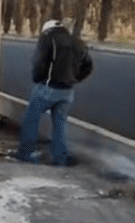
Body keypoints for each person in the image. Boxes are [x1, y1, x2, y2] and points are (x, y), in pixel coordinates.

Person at [13, 19, 92, 166]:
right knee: (59, 124)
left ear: (47, 29)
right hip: (68, 90)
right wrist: (75, 79)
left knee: (32, 119)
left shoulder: (48, 38)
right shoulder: (78, 42)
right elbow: (88, 66)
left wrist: (37, 78)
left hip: (48, 87)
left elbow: (39, 62)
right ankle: (60, 157)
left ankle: (26, 153)